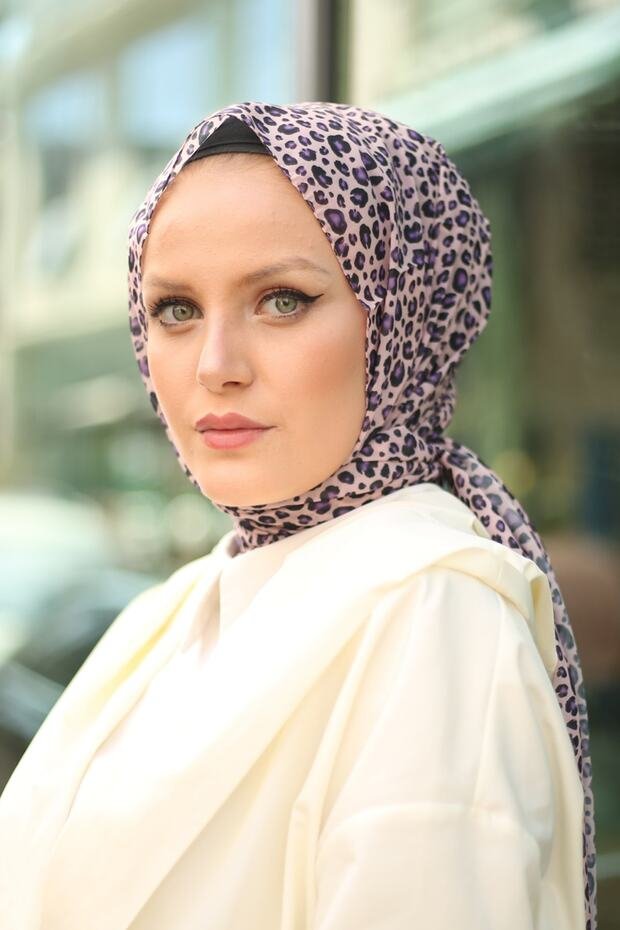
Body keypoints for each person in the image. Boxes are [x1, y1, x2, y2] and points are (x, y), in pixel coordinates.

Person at [0, 102, 596, 929]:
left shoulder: (435, 617)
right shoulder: (171, 612)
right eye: (176, 309)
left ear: (401, 319)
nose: (216, 366)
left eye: (281, 300)